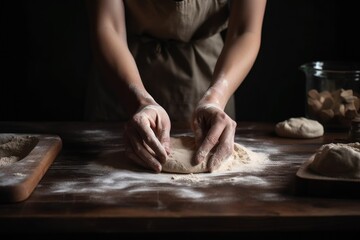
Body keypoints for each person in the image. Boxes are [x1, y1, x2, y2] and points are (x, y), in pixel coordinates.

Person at [85, 0, 267, 173]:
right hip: (122, 73)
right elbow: (108, 26)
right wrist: (139, 101)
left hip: (208, 74)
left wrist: (215, 98)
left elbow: (245, 31)